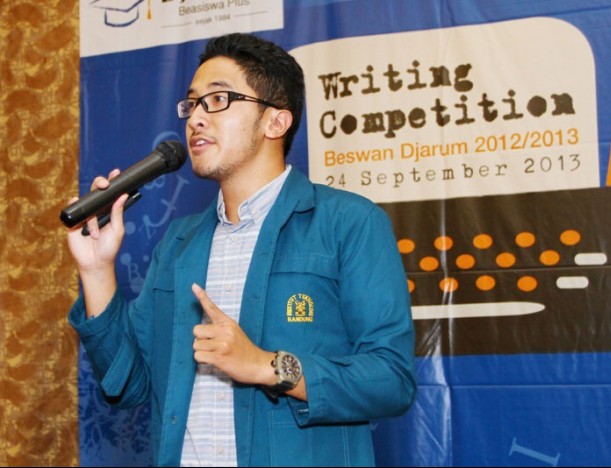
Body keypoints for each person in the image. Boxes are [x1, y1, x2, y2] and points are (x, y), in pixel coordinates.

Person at [66, 33, 416, 467]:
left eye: (218, 99)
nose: (196, 118)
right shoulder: (178, 243)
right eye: (192, 103)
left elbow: (391, 380)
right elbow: (128, 384)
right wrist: (97, 271)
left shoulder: (349, 222)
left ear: (275, 122)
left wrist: (266, 366)